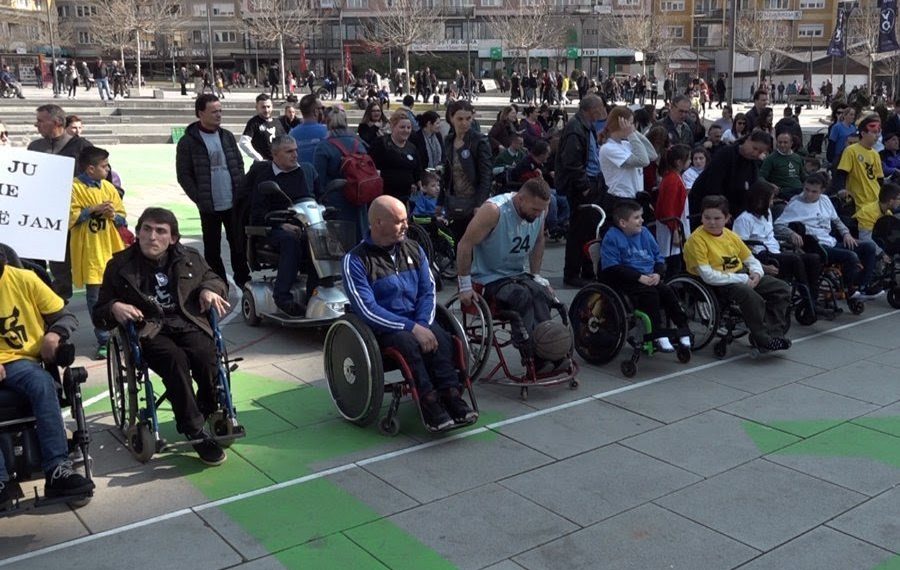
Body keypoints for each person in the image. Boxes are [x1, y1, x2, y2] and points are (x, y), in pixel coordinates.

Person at [93, 208, 232, 465]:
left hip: (187, 322)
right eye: (146, 229)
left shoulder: (190, 258)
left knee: (206, 354)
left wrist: (209, 289)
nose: (152, 236)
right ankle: (194, 430)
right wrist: (114, 307)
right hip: (149, 329)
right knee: (174, 361)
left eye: (160, 231)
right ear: (137, 233)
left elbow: (215, 279)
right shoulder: (119, 266)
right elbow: (99, 311)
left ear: (173, 238)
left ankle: (207, 407)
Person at [343, 196, 476, 430]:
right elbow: (367, 309)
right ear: (378, 223)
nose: (407, 225)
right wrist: (412, 328)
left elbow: (428, 291)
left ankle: (451, 395)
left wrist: (422, 324)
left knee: (443, 338)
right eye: (399, 221)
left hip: (418, 319)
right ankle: (428, 401)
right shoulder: (355, 260)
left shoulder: (415, 249)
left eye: (406, 219)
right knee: (408, 343)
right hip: (385, 327)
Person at [0, 247, 94, 510]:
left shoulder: (25, 279)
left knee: (42, 383)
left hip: (22, 361)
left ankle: (57, 469)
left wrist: (54, 334)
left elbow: (65, 315)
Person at [456, 178, 562, 370]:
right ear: (520, 199)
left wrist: (536, 275)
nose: (539, 214)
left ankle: (551, 351)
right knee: (521, 296)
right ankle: (533, 357)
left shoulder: (541, 210)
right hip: (488, 277)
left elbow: (539, 240)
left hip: (517, 274)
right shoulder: (494, 211)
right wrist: (464, 285)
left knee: (541, 293)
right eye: (535, 209)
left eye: (542, 210)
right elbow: (465, 244)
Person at [684, 195, 792, 352]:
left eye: (717, 218)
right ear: (702, 217)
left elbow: (750, 259)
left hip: (740, 275)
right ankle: (763, 338)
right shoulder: (696, 240)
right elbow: (708, 276)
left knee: (782, 288)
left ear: (727, 218)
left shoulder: (730, 235)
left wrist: (757, 273)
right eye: (707, 218)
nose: (712, 222)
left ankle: (774, 334)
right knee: (750, 295)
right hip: (718, 282)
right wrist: (742, 278)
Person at [175, 94, 250, 289]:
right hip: (209, 205)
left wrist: (240, 190)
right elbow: (184, 175)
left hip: (233, 202)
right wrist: (199, 197)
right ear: (200, 113)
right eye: (214, 111)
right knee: (212, 249)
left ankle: (244, 280)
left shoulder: (227, 136)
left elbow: (238, 164)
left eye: (220, 111)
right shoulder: (188, 141)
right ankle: (219, 284)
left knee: (239, 245)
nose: (219, 115)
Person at [600, 200, 692, 352]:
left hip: (649, 276)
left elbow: (658, 257)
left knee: (668, 292)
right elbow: (612, 267)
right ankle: (657, 334)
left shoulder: (645, 233)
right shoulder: (612, 237)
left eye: (641, 216)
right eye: (636, 217)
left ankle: (683, 328)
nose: (642, 220)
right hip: (626, 279)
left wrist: (658, 273)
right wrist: (638, 277)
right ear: (623, 223)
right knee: (650, 295)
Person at [775, 173, 881, 299]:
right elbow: (778, 225)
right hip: (816, 246)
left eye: (814, 192)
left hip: (830, 241)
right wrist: (791, 233)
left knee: (869, 247)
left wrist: (846, 233)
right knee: (850, 256)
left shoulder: (825, 200)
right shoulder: (795, 203)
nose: (809, 194)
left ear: (822, 191)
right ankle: (849, 289)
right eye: (807, 190)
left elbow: (837, 221)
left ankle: (863, 286)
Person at [27, 104, 94, 301]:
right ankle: (58, 305)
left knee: (89, 266)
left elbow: (102, 177)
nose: (36, 124)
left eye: (40, 121)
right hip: (46, 219)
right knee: (56, 268)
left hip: (78, 218)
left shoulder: (83, 147)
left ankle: (99, 309)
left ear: (56, 122)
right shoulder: (34, 147)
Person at [246, 136, 319, 316]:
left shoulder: (301, 172)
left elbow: (309, 199)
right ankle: (282, 297)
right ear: (275, 154)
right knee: (290, 241)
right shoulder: (264, 177)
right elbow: (257, 214)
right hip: (271, 229)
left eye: (296, 150)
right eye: (289, 151)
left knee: (320, 239)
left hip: (301, 224)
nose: (295, 155)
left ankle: (315, 294)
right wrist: (281, 224)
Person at [69, 147, 127, 359]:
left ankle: (121, 333)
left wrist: (113, 215)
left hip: (111, 248)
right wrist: (92, 210)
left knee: (119, 291)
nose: (108, 169)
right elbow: (70, 218)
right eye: (104, 166)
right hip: (90, 251)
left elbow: (122, 218)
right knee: (95, 297)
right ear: (90, 169)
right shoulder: (74, 188)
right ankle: (103, 338)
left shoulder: (109, 187)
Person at [733, 180, 821, 307]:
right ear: (760, 200)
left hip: (776, 251)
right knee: (794, 259)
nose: (772, 203)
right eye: (770, 200)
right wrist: (761, 265)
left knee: (813, 258)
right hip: (761, 255)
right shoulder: (744, 219)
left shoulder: (767, 213)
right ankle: (808, 303)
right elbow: (741, 247)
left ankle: (813, 299)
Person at [556, 95, 606, 288]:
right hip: (581, 187)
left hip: (591, 181)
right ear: (591, 109)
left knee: (590, 230)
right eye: (600, 107)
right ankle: (572, 272)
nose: (602, 110)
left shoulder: (586, 126)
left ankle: (587, 269)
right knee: (579, 231)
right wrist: (584, 187)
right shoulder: (575, 129)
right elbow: (572, 162)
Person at [312, 110, 370, 241]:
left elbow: (318, 179)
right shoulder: (358, 144)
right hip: (359, 196)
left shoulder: (323, 146)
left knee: (340, 241)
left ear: (327, 123)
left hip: (336, 201)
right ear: (346, 123)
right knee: (359, 237)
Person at [439, 100, 492, 240]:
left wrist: (479, 203)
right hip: (454, 201)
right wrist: (440, 201)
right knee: (455, 240)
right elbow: (446, 173)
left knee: (472, 242)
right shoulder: (449, 140)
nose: (464, 123)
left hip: (474, 201)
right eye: (460, 119)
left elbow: (486, 175)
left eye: (468, 118)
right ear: (451, 118)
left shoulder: (480, 141)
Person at [691, 130, 772, 217]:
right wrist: (723, 211)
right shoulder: (726, 154)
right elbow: (713, 185)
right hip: (707, 207)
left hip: (734, 211)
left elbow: (751, 191)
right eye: (754, 148)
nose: (755, 153)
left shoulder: (753, 165)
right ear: (748, 140)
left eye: (760, 152)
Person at [599, 106, 657, 211]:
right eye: (630, 123)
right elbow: (643, 161)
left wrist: (634, 133)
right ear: (620, 124)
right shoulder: (608, 148)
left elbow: (652, 155)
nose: (632, 126)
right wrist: (631, 134)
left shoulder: (626, 144)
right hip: (621, 199)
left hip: (635, 198)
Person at [370, 109, 423, 206]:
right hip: (385, 196)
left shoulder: (412, 147)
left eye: (408, 127)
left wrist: (417, 184)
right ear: (393, 127)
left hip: (406, 197)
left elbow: (417, 170)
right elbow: (371, 166)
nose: (406, 130)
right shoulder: (381, 143)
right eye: (402, 127)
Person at [834, 115, 884, 215]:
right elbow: (841, 173)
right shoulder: (851, 151)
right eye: (874, 132)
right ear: (863, 133)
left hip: (876, 200)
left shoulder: (875, 154)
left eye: (878, 132)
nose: (877, 136)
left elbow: (879, 179)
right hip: (859, 201)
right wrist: (841, 189)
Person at [655, 144, 692, 275]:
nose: (690, 161)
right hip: (671, 226)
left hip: (675, 223)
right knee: (673, 262)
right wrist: (675, 231)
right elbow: (668, 208)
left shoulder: (674, 177)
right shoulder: (672, 180)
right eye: (688, 159)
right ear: (679, 162)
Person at [758, 131, 805, 200]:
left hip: (799, 189)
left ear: (791, 143)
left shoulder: (797, 157)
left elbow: (803, 176)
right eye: (780, 142)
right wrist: (770, 185)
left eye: (785, 142)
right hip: (783, 191)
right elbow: (760, 177)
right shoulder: (771, 158)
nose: (782, 145)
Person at [239, 93, 285, 162]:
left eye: (268, 107)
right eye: (263, 107)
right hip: (263, 165)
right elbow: (243, 142)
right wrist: (259, 158)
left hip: (278, 163)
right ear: (257, 108)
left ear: (272, 107)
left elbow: (285, 141)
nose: (266, 110)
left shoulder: (277, 122)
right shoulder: (254, 123)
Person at [854, 183, 900, 247]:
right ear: (890, 201)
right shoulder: (868, 213)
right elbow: (864, 239)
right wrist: (881, 252)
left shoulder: (887, 212)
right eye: (899, 199)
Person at [288, 94, 327, 164]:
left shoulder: (291, 134)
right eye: (322, 108)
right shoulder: (327, 132)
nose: (323, 111)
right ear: (316, 111)